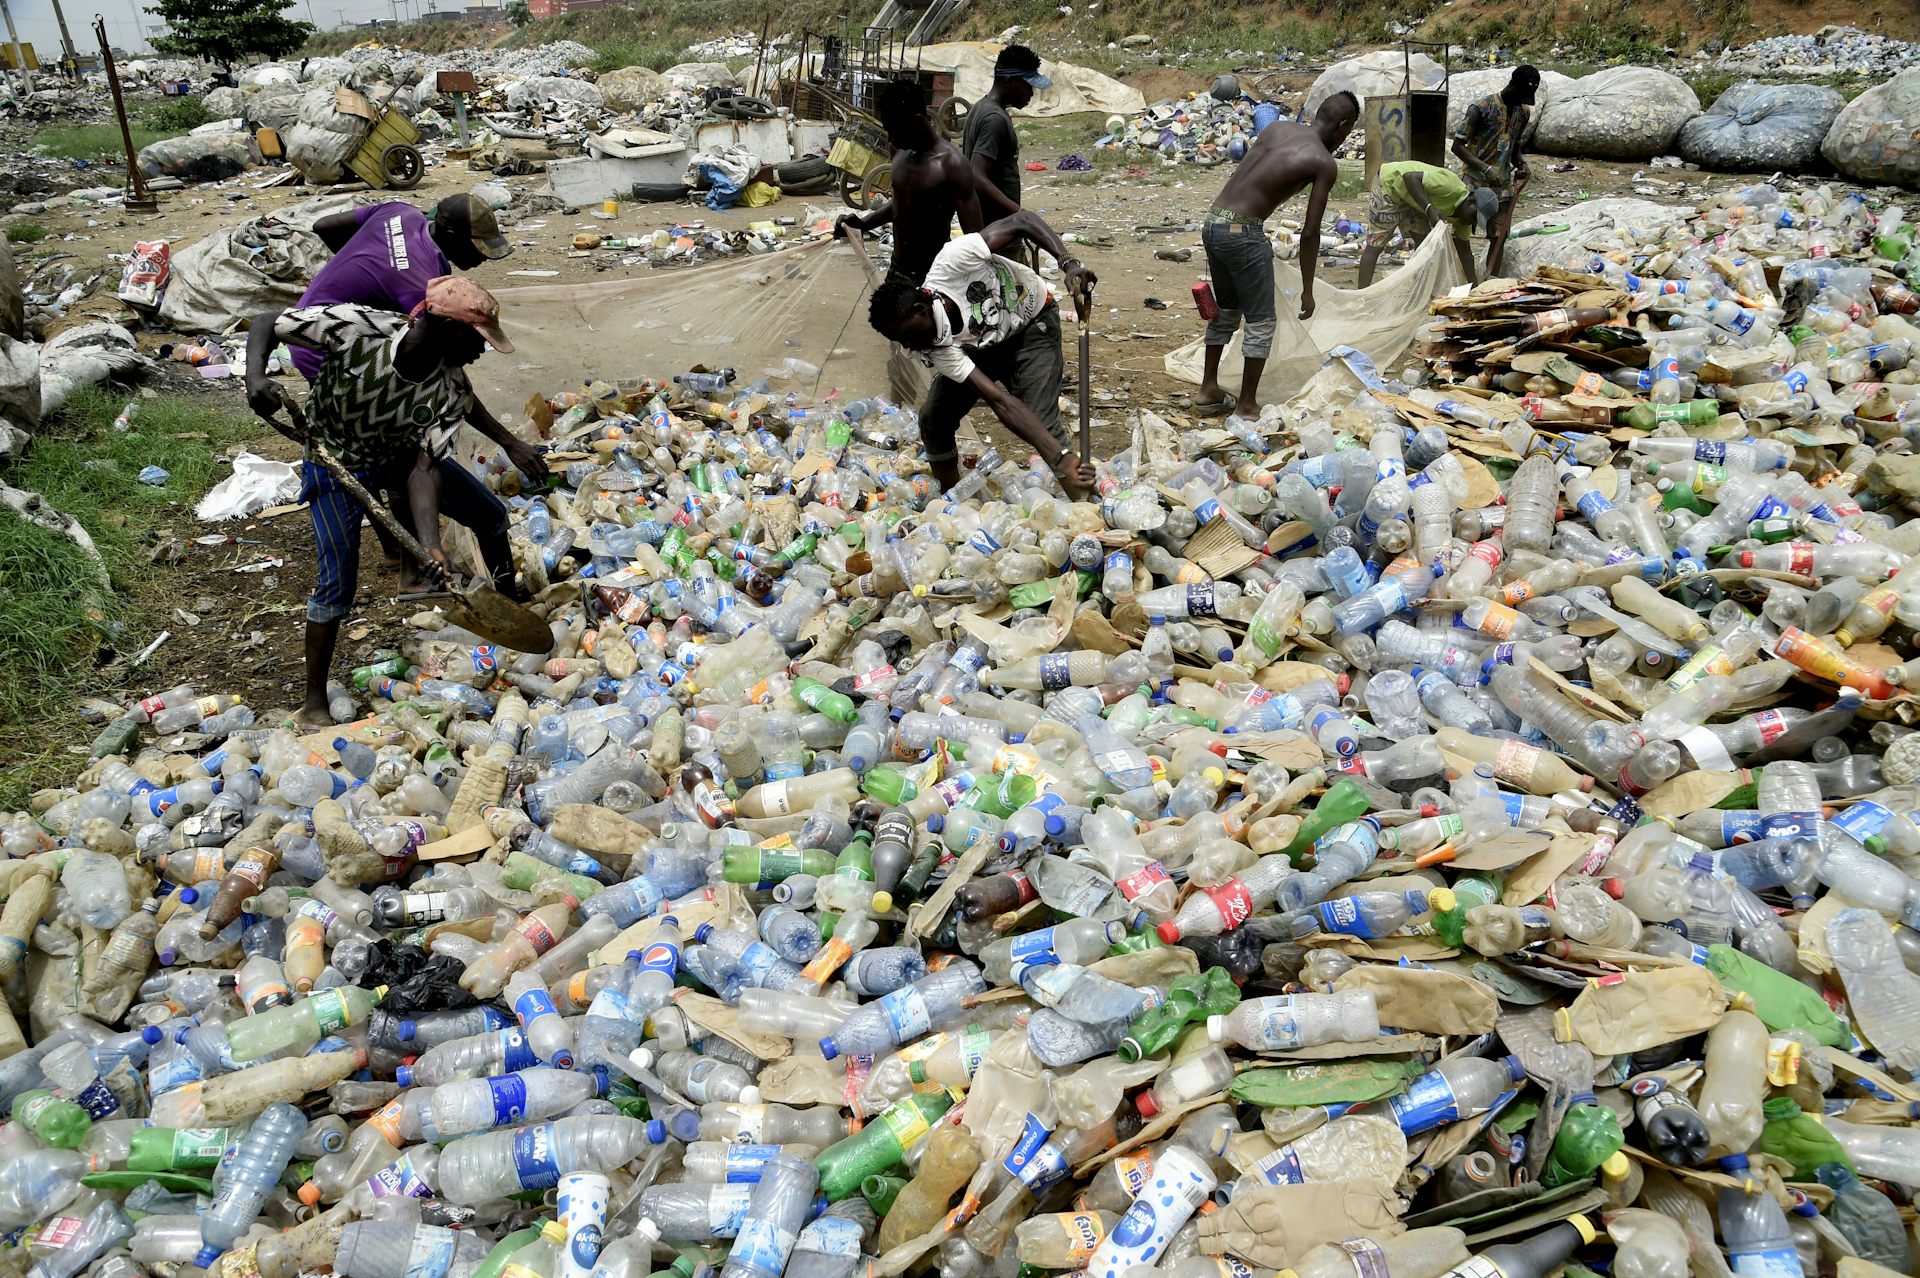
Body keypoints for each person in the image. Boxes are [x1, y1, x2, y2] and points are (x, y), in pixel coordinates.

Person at [243, 277, 522, 730]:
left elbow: (425, 467)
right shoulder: (358, 328)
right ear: (443, 327)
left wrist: (429, 544)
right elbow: (267, 322)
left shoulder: (451, 389)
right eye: (477, 340)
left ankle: (508, 606)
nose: (480, 352)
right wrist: (256, 376)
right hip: (334, 461)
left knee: (490, 515)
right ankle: (313, 699)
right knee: (338, 578)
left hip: (395, 457)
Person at [296, 193, 546, 579]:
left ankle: (400, 547)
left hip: (315, 315)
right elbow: (449, 383)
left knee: (390, 448)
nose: (479, 259)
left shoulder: (402, 212)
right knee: (396, 447)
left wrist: (359, 275)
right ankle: (412, 560)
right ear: (447, 231)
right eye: (474, 248)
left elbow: (324, 226)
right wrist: (509, 442)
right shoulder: (419, 289)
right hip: (331, 351)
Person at [866, 212, 1096, 498]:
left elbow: (1022, 221)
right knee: (934, 419)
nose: (909, 347)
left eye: (909, 336)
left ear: (921, 309)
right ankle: (951, 498)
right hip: (980, 347)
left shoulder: (954, 261)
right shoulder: (938, 348)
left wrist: (1069, 263)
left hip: (1031, 325)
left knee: (1041, 420)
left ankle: (1086, 501)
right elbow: (999, 400)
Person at [1195, 90, 1359, 418]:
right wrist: (1308, 291)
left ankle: (1208, 388)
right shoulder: (1322, 162)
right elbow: (1311, 232)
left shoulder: (1277, 129)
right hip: (1243, 232)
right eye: (1349, 131)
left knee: (1227, 309)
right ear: (1342, 126)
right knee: (1262, 320)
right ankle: (1246, 405)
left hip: (1213, 223)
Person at [835, 78, 1019, 285]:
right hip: (898, 269)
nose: (890, 138)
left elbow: (973, 238)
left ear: (915, 120)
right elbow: (903, 204)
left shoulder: (952, 165)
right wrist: (862, 224)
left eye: (893, 129)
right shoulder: (898, 150)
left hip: (934, 275)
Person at [1452, 65, 1539, 278]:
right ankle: (1465, 280)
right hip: (1474, 181)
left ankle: (1490, 280)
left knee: (1499, 237)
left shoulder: (1523, 113)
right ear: (1512, 85)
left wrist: (1522, 166)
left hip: (1502, 184)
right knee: (1461, 235)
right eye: (1521, 96)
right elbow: (1458, 146)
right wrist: (1485, 168)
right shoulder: (1481, 108)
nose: (1522, 102)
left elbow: (1514, 148)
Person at [1356, 159, 1492, 289]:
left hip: (1414, 199)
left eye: (1476, 222)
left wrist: (1475, 289)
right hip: (1390, 185)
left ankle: (1418, 290)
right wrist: (1429, 209)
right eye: (1474, 217)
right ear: (1470, 202)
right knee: (1376, 244)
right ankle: (1361, 296)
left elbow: (1465, 254)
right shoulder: (1450, 187)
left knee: (1423, 245)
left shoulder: (1465, 218)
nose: (1471, 222)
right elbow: (1409, 177)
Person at [963, 45, 1049, 219]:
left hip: (992, 225)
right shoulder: (994, 119)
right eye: (1027, 85)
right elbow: (976, 174)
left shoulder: (981, 107)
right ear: (1008, 81)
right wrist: (1018, 213)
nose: (1031, 93)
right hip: (997, 226)